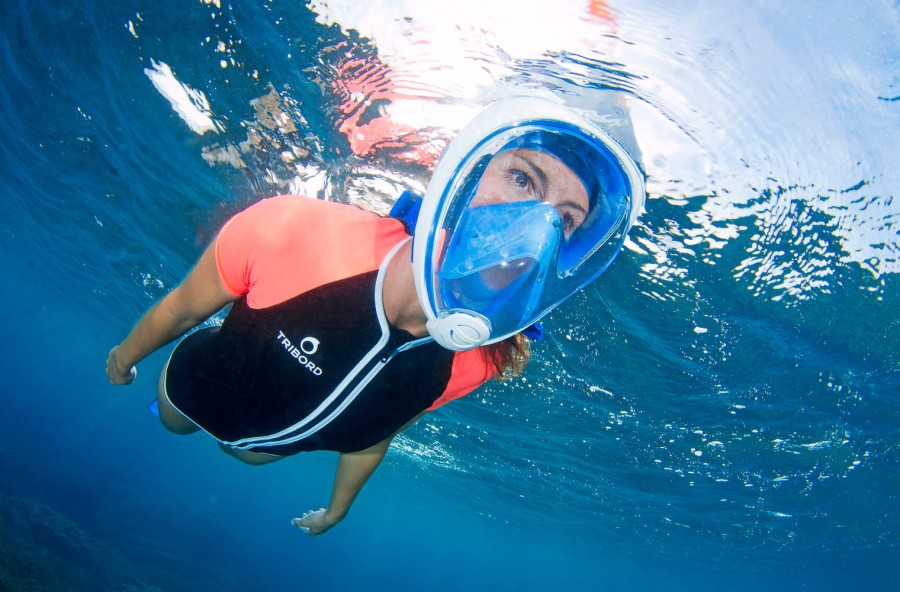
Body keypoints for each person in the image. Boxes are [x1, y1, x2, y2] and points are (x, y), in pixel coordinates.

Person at [106, 96, 645, 536]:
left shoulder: (477, 361)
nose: (535, 232)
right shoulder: (294, 228)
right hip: (191, 392)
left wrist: (337, 509)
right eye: (523, 179)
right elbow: (182, 306)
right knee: (174, 423)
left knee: (244, 455)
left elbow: (376, 430)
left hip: (264, 450)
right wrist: (125, 356)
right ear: (463, 174)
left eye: (565, 221)